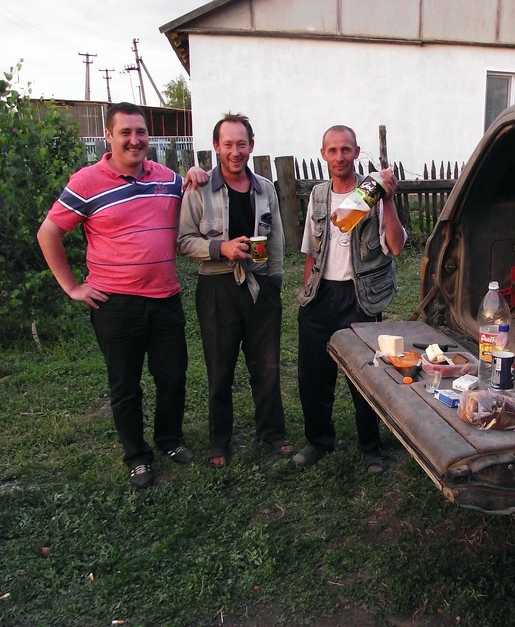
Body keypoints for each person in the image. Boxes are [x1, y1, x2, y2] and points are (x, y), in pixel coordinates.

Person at [37, 102, 196, 489]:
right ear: (108, 136)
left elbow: (193, 193)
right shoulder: (87, 181)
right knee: (125, 384)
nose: (135, 140)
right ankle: (137, 456)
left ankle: (168, 439)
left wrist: (196, 174)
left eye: (140, 132)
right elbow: (49, 233)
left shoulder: (166, 178)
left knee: (172, 375)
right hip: (115, 304)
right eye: (125, 132)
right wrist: (72, 287)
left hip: (165, 297)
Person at [178, 113, 291, 468]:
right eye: (227, 144)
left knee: (267, 365)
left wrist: (274, 283)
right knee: (220, 366)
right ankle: (219, 441)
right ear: (216, 147)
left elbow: (276, 240)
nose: (235, 151)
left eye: (241, 144)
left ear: (251, 146)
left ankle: (272, 432)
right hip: (216, 287)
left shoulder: (266, 188)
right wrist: (220, 248)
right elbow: (183, 240)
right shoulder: (199, 189)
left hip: (260, 287)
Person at [294, 125, 406, 475]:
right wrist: (306, 296)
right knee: (313, 376)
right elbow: (311, 251)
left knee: (365, 378)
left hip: (361, 297)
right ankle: (318, 441)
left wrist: (387, 198)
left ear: (357, 152)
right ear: (323, 154)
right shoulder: (318, 195)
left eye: (346, 149)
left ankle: (371, 448)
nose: (339, 156)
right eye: (333, 150)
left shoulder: (372, 191)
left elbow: (398, 245)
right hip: (321, 295)